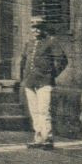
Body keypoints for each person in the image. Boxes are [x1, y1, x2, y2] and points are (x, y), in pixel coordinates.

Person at [17, 15, 68, 148]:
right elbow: (23, 61)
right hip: (30, 82)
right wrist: (23, 78)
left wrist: (52, 74)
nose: (36, 30)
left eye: (39, 27)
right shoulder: (29, 43)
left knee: (44, 110)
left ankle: (48, 139)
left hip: (44, 82)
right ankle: (38, 138)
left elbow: (62, 60)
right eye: (34, 28)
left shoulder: (51, 42)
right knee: (34, 111)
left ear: (44, 28)